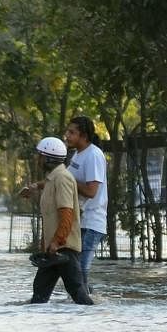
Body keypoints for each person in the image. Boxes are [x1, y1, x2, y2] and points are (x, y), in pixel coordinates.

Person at [24, 136, 93, 305]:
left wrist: (57, 241)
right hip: (53, 250)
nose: (37, 160)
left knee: (80, 297)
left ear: (48, 158)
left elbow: (66, 214)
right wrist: (47, 244)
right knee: (38, 298)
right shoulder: (51, 180)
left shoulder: (62, 178)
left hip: (64, 250)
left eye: (40, 156)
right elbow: (51, 218)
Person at [64, 116, 108, 294]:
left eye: (71, 132)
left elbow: (91, 191)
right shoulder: (78, 154)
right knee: (75, 268)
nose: (67, 136)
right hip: (80, 221)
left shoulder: (94, 155)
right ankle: (86, 303)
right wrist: (38, 186)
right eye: (67, 132)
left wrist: (70, 181)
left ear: (83, 136)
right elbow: (64, 178)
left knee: (80, 268)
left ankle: (87, 306)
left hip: (92, 222)